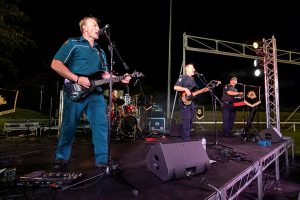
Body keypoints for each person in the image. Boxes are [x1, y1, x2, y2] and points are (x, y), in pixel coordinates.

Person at [51, 16, 131, 171]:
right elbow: (55, 64)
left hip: (95, 93)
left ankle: (103, 160)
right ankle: (61, 158)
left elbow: (104, 75)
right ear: (84, 28)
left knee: (102, 125)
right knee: (69, 126)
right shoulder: (73, 43)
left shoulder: (101, 51)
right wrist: (77, 78)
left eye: (97, 25)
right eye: (94, 25)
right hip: (75, 91)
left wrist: (120, 78)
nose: (97, 27)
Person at [174, 63, 209, 140]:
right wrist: (185, 89)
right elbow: (175, 87)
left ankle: (187, 135)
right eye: (192, 68)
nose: (194, 69)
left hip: (192, 101)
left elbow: (194, 92)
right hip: (184, 100)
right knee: (186, 119)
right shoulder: (183, 77)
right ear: (187, 69)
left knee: (190, 120)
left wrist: (203, 90)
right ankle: (186, 138)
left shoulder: (193, 79)